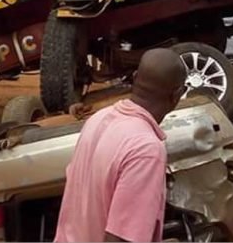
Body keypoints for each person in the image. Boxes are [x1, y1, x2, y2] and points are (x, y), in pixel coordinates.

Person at [54, 48, 187, 243]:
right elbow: (121, 239)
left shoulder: (99, 119)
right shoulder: (146, 149)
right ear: (177, 94)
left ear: (134, 77)